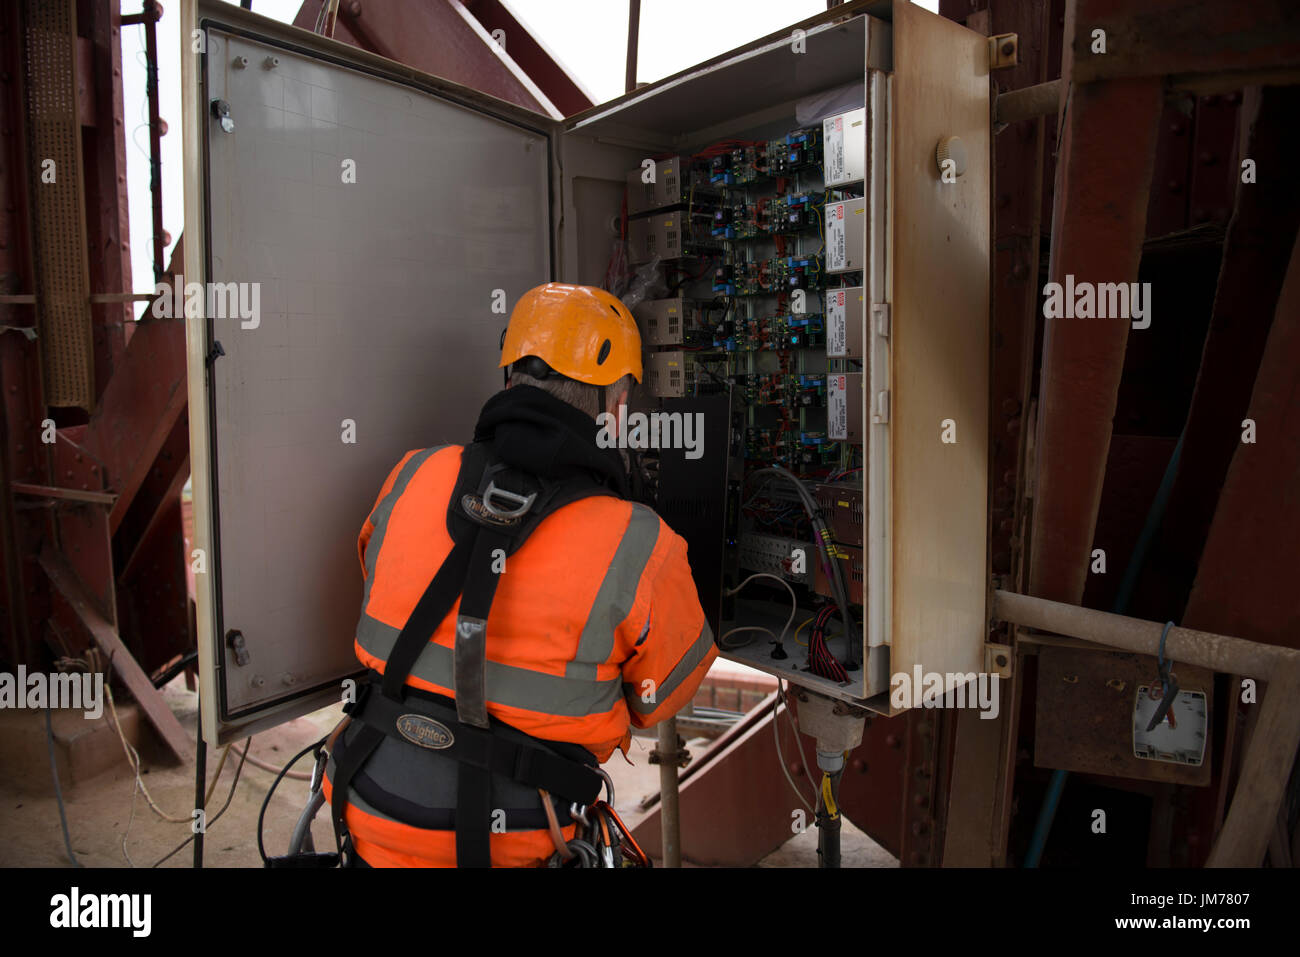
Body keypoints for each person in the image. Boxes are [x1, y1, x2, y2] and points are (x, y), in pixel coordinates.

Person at [322, 282, 717, 867]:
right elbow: (659, 700)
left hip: (364, 805)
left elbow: (378, 581)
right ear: (619, 402)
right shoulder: (640, 542)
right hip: (518, 842)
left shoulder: (412, 473)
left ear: (510, 379)